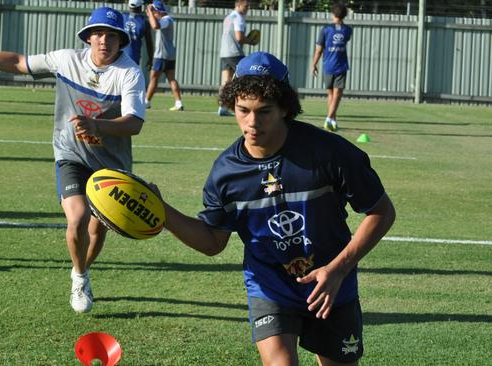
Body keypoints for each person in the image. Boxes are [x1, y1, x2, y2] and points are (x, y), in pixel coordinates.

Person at [157, 52, 395, 365]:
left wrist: (338, 269)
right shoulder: (226, 172)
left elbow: (382, 212)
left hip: (333, 282)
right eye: (243, 110)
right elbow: (213, 242)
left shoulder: (330, 152)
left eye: (264, 111)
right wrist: (162, 212)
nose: (252, 123)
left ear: (285, 108)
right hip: (270, 286)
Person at [0, 6, 146, 314]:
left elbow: (134, 123)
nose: (104, 40)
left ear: (121, 40)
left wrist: (97, 126)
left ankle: (81, 270)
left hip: (110, 164)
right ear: (88, 38)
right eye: (98, 33)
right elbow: (18, 62)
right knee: (77, 220)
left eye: (112, 35)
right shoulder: (66, 60)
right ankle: (81, 278)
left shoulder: (130, 73)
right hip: (70, 154)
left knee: (98, 229)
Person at [311, 2, 352, 132]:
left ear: (332, 13)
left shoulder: (326, 30)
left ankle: (330, 119)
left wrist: (314, 64)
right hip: (341, 66)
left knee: (331, 94)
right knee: (336, 95)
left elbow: (319, 49)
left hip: (328, 66)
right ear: (345, 14)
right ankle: (331, 119)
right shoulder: (347, 30)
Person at [218, 0, 257, 116]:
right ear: (238, 5)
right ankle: (248, 107)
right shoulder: (239, 18)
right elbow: (239, 37)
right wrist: (251, 41)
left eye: (248, 6)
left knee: (226, 82)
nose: (247, 8)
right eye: (245, 6)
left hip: (224, 53)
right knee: (248, 78)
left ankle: (222, 107)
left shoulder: (228, 17)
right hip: (234, 53)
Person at [144, 0, 183, 111]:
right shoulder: (167, 19)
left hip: (161, 55)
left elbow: (155, 26)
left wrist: (150, 12)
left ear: (158, 11)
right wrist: (151, 13)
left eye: (154, 11)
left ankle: (146, 102)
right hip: (170, 54)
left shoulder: (165, 20)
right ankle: (178, 102)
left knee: (153, 78)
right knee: (171, 79)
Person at [123, 0, 153, 68]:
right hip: (134, 57)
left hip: (118, 55)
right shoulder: (144, 22)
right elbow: (149, 43)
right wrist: (151, 58)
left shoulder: (122, 17)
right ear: (140, 7)